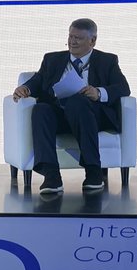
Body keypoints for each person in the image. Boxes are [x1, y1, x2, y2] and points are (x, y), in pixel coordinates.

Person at [12, 18, 130, 195]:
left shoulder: (107, 61)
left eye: (78, 38)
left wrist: (98, 93)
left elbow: (123, 88)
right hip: (60, 115)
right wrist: (26, 88)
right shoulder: (52, 59)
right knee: (41, 109)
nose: (72, 42)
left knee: (78, 102)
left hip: (90, 116)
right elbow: (38, 80)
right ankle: (51, 176)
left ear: (92, 41)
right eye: (70, 36)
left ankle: (93, 171)